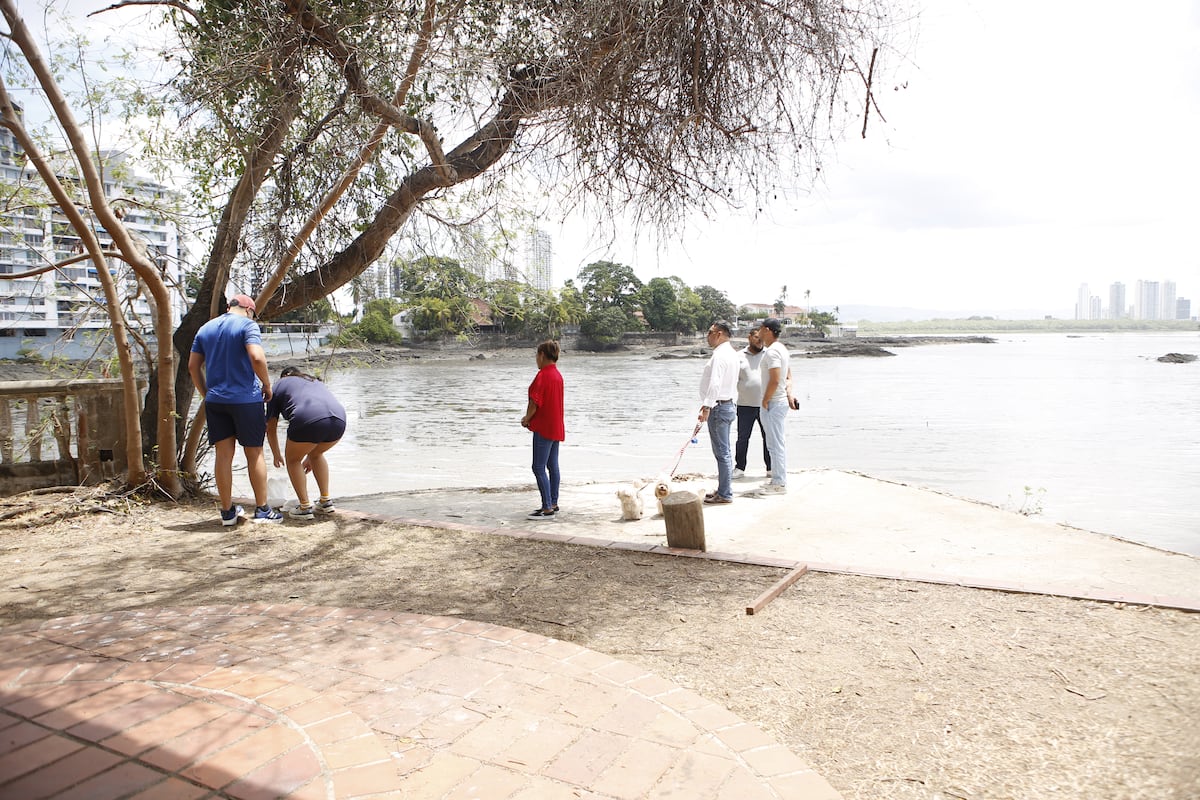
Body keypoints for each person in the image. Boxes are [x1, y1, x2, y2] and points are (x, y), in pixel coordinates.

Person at [188, 294, 283, 525]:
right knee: (255, 453)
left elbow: (193, 366)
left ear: (228, 307)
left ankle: (228, 512)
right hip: (246, 400)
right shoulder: (247, 325)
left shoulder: (205, 328)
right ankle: (262, 510)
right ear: (249, 310)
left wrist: (206, 393)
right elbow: (256, 357)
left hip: (216, 401)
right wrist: (267, 384)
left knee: (223, 456)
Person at [266, 366, 347, 520]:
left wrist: (276, 454)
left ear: (283, 376)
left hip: (308, 418)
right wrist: (311, 454)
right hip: (339, 419)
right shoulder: (314, 381)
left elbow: (271, 426)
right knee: (316, 454)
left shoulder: (278, 386)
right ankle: (325, 501)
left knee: (293, 460)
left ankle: (304, 507)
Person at [520, 340, 564, 520]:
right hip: (556, 425)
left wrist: (526, 418)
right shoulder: (557, 375)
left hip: (544, 427)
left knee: (538, 466)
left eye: (537, 356)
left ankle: (547, 508)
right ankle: (553, 502)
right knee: (552, 466)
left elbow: (535, 402)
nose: (536, 359)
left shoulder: (543, 375)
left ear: (542, 355)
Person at [697, 321, 740, 505]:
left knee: (722, 452)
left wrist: (707, 406)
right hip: (726, 404)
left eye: (710, 332)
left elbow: (715, 383)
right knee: (724, 451)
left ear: (719, 333)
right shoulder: (731, 353)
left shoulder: (721, 355)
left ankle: (725, 493)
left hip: (719, 406)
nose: (707, 336)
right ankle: (723, 488)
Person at [757, 317, 792, 494]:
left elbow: (776, 378)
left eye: (761, 329)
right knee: (774, 443)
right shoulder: (780, 349)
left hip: (774, 403)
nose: (759, 332)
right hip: (777, 401)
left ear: (768, 330)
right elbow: (788, 376)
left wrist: (765, 399)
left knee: (775, 443)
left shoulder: (772, 352)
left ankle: (779, 482)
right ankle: (777, 479)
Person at [734, 326, 771, 479]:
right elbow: (731, 380)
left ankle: (770, 468)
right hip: (744, 405)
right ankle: (740, 468)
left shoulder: (769, 354)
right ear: (749, 337)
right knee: (742, 438)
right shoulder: (738, 356)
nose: (760, 341)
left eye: (762, 338)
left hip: (766, 404)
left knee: (768, 437)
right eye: (757, 337)